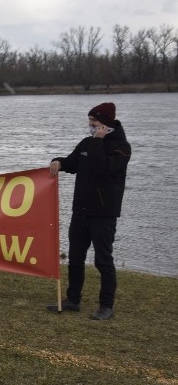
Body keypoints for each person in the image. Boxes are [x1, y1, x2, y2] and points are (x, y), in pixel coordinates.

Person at [47, 102, 131, 320]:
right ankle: (73, 299)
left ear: (105, 123)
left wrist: (98, 142)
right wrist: (59, 162)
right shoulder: (87, 142)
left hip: (104, 214)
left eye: (94, 121)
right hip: (80, 211)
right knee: (75, 257)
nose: (91, 125)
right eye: (90, 121)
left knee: (103, 261)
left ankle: (106, 306)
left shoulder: (121, 147)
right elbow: (74, 163)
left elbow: (102, 167)